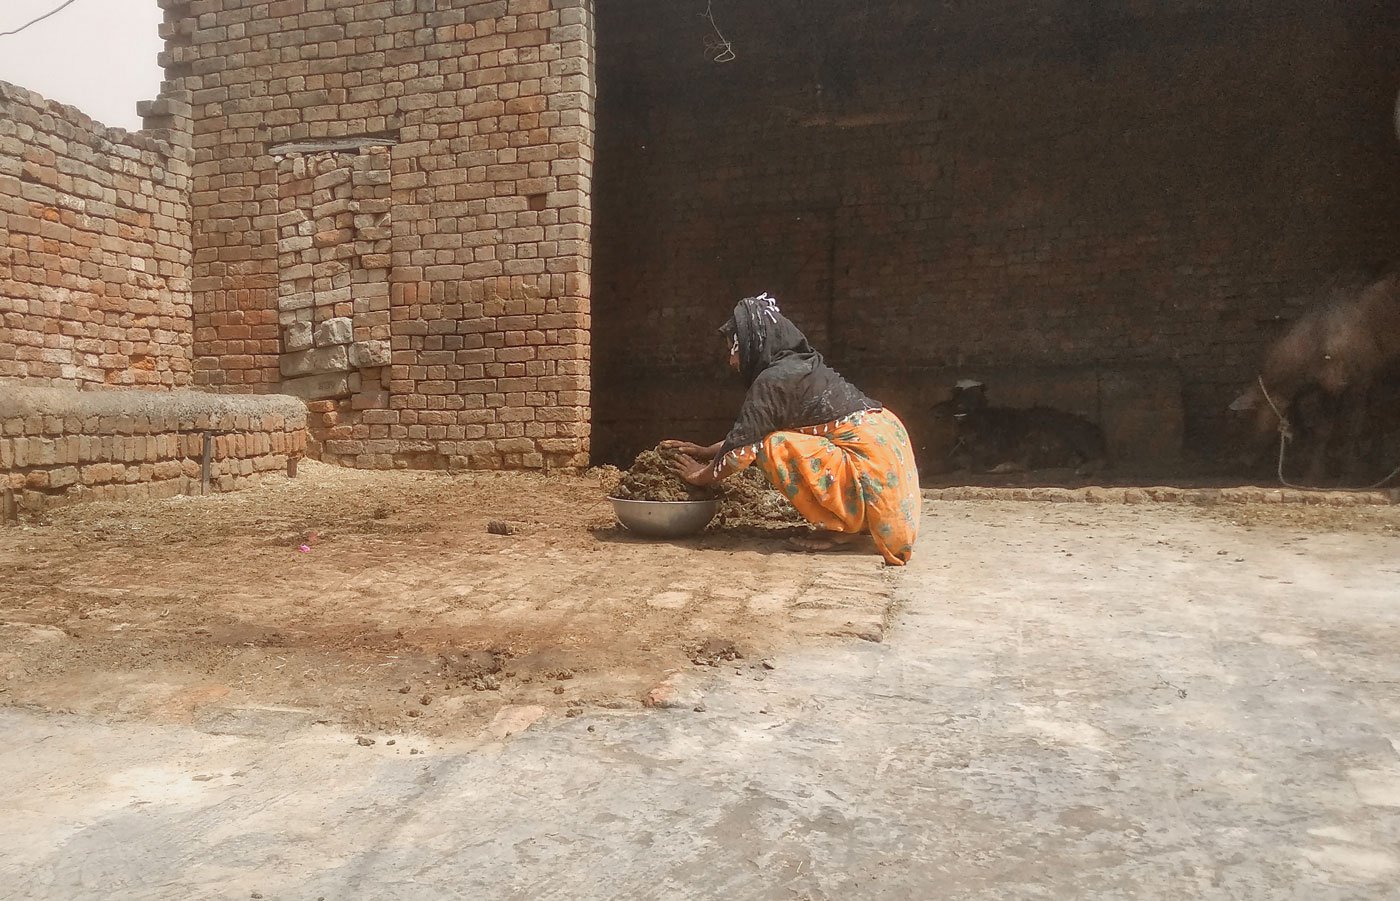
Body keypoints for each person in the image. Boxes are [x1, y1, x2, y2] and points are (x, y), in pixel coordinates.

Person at [664, 294, 920, 566]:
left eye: (734, 349)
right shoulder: (798, 366)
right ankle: (855, 521)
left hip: (866, 462)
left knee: (774, 447)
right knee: (772, 440)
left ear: (753, 344)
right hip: (883, 445)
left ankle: (843, 529)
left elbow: (743, 452)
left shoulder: (774, 380)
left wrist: (699, 476)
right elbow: (750, 434)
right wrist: (706, 451)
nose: (732, 361)